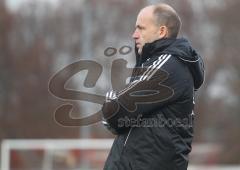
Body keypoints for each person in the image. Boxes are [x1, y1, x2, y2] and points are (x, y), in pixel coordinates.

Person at [101, 3, 204, 170]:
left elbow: (116, 110)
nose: (134, 35)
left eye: (141, 28)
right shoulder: (158, 64)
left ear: (161, 31)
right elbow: (119, 120)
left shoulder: (169, 65)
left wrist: (110, 98)